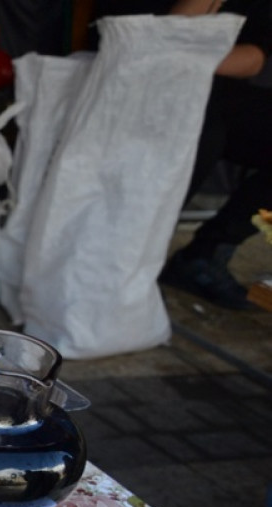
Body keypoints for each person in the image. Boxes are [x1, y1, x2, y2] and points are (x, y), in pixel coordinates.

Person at [97, 0, 272, 309]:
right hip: (128, 72)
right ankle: (119, 262)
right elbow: (163, 33)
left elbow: (254, 58)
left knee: (207, 121)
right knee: (201, 133)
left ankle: (206, 254)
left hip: (205, 82)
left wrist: (194, 62)